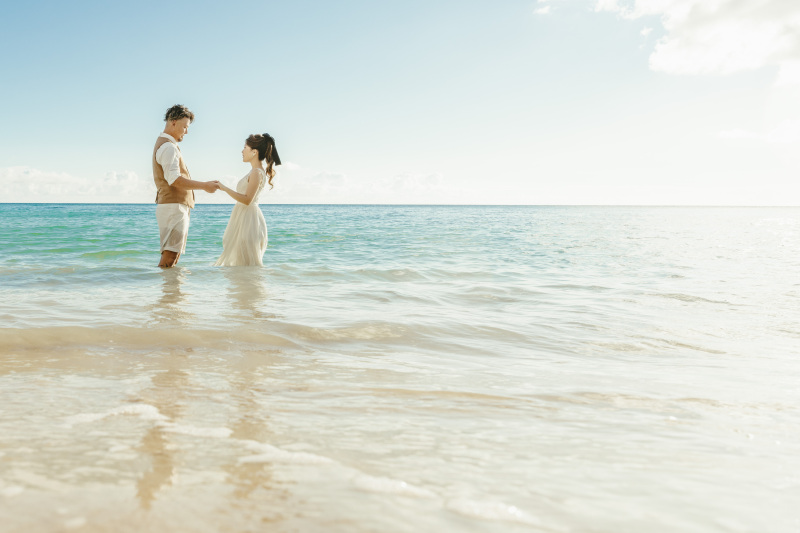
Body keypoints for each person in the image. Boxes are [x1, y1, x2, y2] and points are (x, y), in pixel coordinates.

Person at [153, 105, 220, 268]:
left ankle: (169, 285)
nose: (187, 132)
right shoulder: (168, 147)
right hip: (173, 207)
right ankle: (165, 285)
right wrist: (205, 186)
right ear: (173, 122)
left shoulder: (168, 145)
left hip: (173, 206)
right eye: (185, 127)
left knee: (173, 256)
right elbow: (174, 179)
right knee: (170, 256)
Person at [214, 133, 281, 267]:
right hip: (245, 217)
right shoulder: (254, 171)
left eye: (245, 147)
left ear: (254, 152)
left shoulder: (256, 172)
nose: (242, 151)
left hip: (249, 220)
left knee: (246, 262)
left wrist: (224, 188)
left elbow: (247, 200)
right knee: (242, 263)